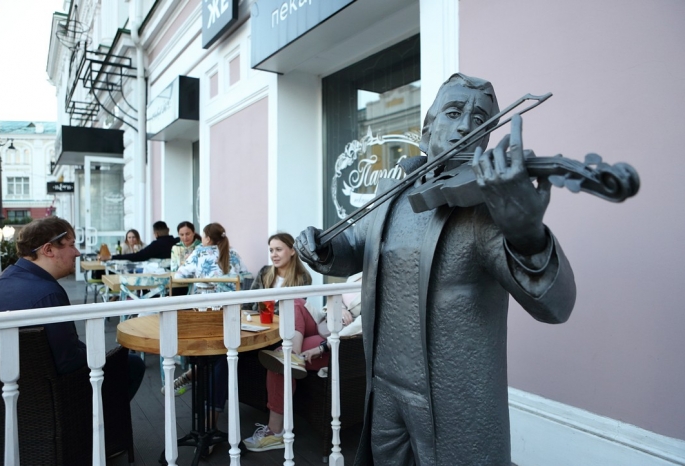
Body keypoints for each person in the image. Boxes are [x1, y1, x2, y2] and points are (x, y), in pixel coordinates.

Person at [296, 73, 577, 465]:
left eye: (479, 120)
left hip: (453, 401)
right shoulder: (392, 190)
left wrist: (529, 235)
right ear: (427, 129)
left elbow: (556, 304)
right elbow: (356, 246)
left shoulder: (486, 211)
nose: (465, 125)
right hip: (385, 386)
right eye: (454, 111)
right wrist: (323, 249)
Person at [0, 217, 145, 401]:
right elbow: (69, 362)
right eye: (71, 244)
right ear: (48, 250)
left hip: (17, 393)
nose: (77, 253)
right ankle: (99, 421)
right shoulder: (49, 293)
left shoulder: (6, 278)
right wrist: (98, 353)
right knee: (132, 365)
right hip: (55, 396)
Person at [241, 233, 352, 453]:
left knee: (292, 304)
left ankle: (275, 430)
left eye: (278, 249)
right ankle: (277, 430)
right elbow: (251, 302)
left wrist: (341, 310)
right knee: (280, 360)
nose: (274, 254)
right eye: (271, 250)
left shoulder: (302, 276)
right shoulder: (265, 273)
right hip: (303, 329)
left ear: (292, 251)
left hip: (310, 328)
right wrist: (336, 309)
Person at [164, 223, 249, 398]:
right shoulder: (233, 253)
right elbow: (245, 276)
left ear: (208, 238)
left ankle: (191, 377)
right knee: (223, 350)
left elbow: (179, 276)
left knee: (210, 348)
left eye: (203, 236)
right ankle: (196, 382)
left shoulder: (200, 252)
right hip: (232, 313)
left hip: (205, 313)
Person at [101, 221, 177, 262]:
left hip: (158, 280)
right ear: (168, 230)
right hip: (177, 277)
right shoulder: (178, 242)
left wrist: (111, 257)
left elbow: (138, 256)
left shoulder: (156, 245)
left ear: (156, 234)